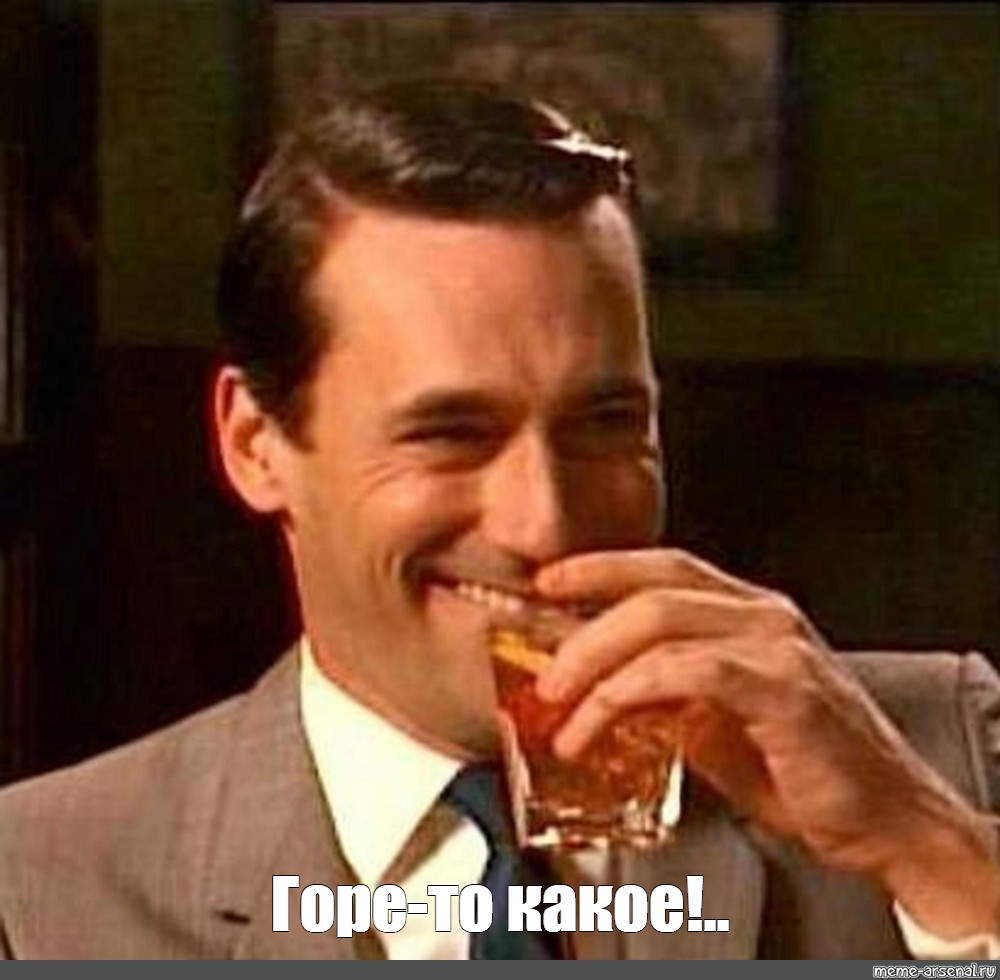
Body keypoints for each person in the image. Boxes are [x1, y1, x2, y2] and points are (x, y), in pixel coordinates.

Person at [0, 79, 997, 960]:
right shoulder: (38, 892)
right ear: (256, 444)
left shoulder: (947, 751)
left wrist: (934, 849)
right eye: (450, 433)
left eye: (605, 422)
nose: (546, 523)